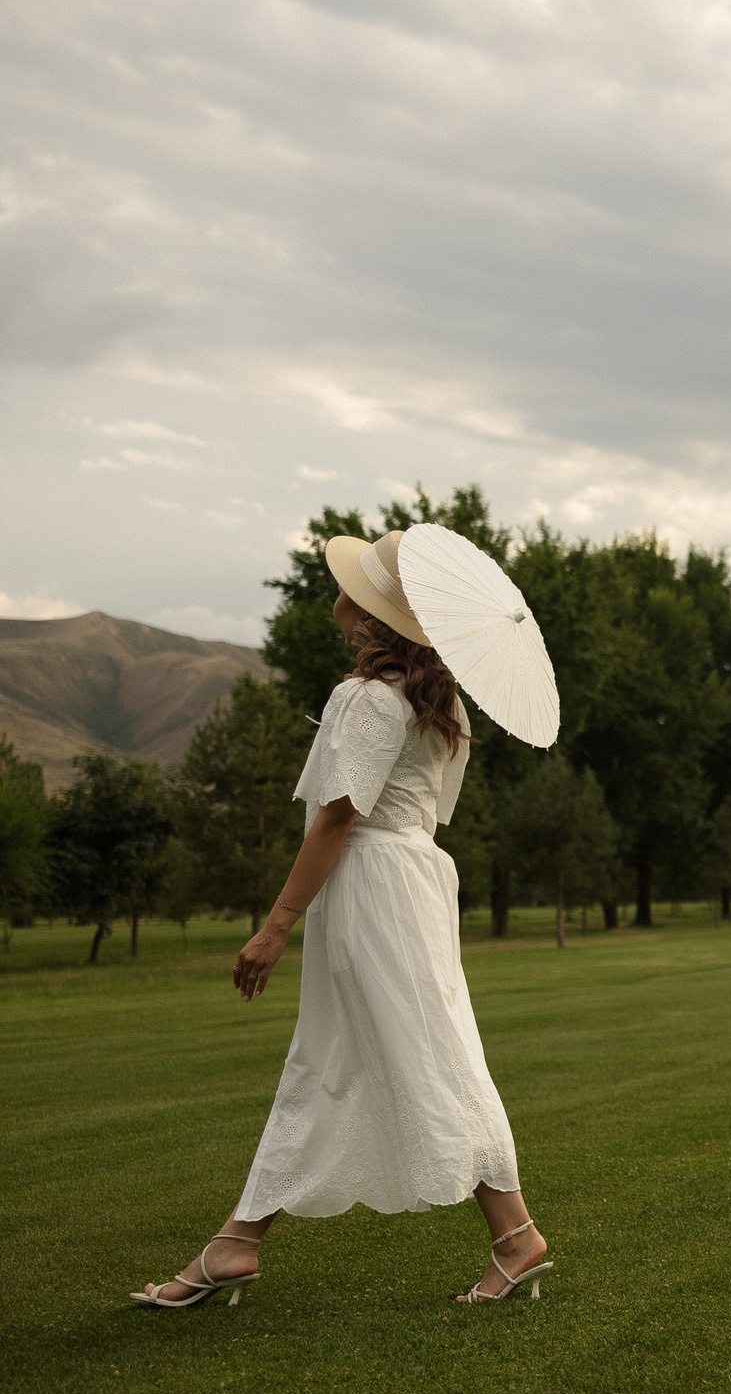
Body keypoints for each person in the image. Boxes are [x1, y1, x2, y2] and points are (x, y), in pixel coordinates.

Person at [132, 530, 552, 1308]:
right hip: (411, 883)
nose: (338, 594)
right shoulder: (439, 701)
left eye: (351, 587)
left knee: (422, 1055)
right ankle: (237, 1240)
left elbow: (336, 819)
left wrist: (277, 922)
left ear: (369, 615)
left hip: (373, 889)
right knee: (351, 1053)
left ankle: (514, 1233)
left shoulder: (365, 697)